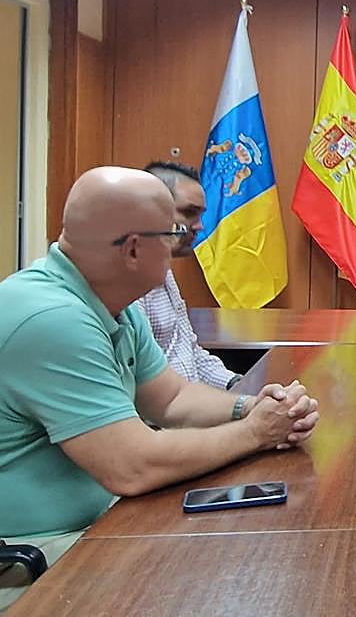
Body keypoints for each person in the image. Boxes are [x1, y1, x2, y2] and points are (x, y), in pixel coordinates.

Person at [0, 167, 319, 606]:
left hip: (104, 522)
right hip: (34, 555)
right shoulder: (53, 319)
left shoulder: (110, 300)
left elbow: (171, 398)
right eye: (170, 231)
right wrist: (257, 433)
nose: (180, 240)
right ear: (133, 249)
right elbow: (132, 467)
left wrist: (255, 407)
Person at [135, 160, 239, 389]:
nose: (200, 226)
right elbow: (144, 382)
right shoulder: (128, 287)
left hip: (190, 407)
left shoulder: (164, 270)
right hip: (163, 420)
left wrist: (237, 385)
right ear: (150, 209)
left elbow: (189, 350)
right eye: (189, 213)